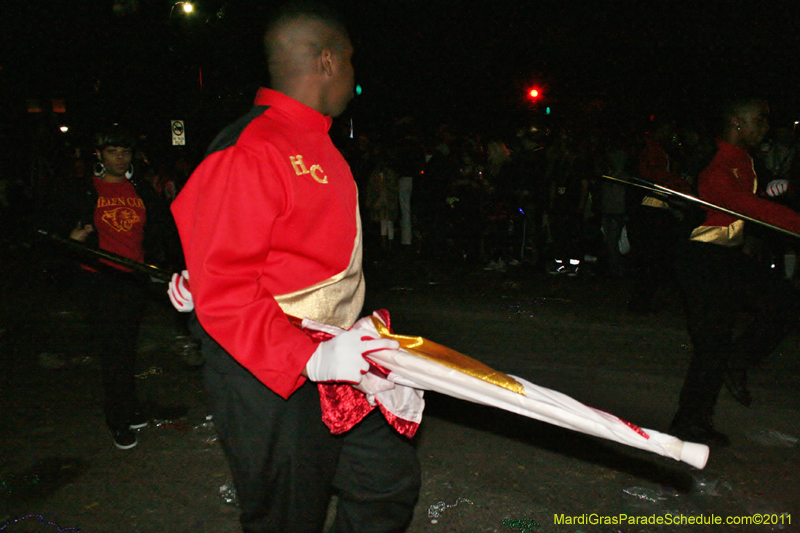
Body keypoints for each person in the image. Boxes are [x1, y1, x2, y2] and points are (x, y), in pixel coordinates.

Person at [169, 3, 421, 532]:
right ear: (327, 62)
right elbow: (226, 290)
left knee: (386, 484)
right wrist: (306, 360)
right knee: (288, 516)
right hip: (268, 373)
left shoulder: (318, 140)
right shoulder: (248, 149)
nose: (354, 79)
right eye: (350, 63)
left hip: (332, 355)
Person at [669, 97, 800, 446]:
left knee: (785, 301)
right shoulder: (712, 158)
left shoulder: (744, 159)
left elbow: (758, 202)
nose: (764, 128)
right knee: (712, 341)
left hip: (727, 256)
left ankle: (738, 360)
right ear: (738, 122)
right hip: (701, 258)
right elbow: (742, 205)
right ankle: (690, 422)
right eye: (759, 121)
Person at [59, 126, 177, 449]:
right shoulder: (86, 190)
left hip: (133, 278)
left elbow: (160, 227)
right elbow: (60, 229)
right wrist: (72, 239)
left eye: (125, 152)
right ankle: (117, 418)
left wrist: (162, 261)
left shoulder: (140, 189)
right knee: (114, 350)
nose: (120, 157)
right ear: (99, 154)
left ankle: (130, 405)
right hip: (100, 278)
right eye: (113, 151)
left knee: (127, 346)